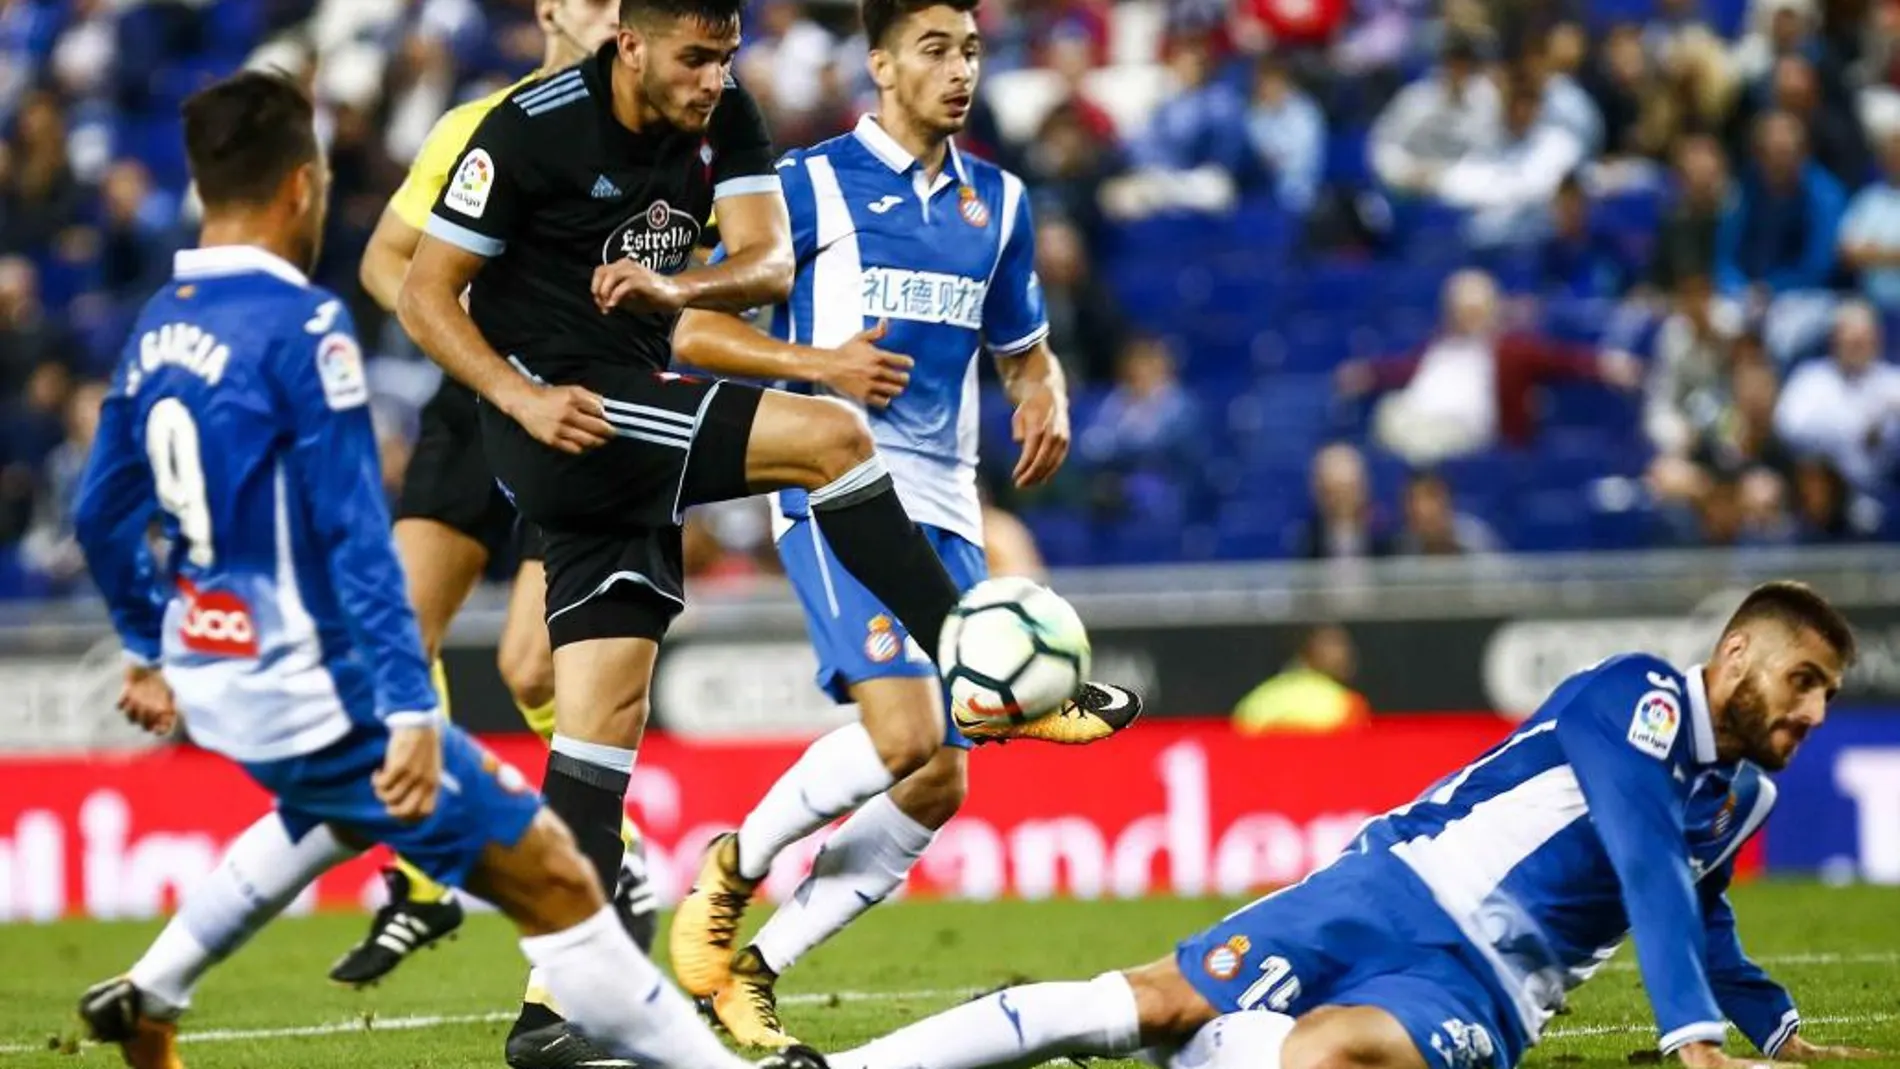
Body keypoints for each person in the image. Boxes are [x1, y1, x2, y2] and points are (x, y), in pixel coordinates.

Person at [398, 0, 1129, 1062]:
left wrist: (671, 281)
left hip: (624, 411)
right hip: (554, 413)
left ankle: (556, 1009)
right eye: (693, 59)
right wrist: (513, 400)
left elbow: (763, 264)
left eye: (725, 57)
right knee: (830, 438)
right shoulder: (526, 126)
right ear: (630, 45)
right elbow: (424, 295)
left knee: (600, 728)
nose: (713, 80)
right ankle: (972, 652)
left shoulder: (726, 115)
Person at [65, 70, 824, 1069]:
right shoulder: (304, 331)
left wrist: (142, 642)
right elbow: (354, 542)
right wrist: (411, 711)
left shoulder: (159, 321)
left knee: (327, 811)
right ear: (304, 187)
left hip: (213, 668)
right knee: (560, 873)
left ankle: (153, 988)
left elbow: (99, 508)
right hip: (314, 679)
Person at [826, 581, 1884, 1069]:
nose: (1812, 713)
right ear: (1736, 654)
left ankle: (1220, 1051)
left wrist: (1778, 1030)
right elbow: (1646, 859)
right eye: (1801, 680)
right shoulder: (1639, 695)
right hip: (1388, 887)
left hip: (1485, 988)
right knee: (1146, 998)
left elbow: (1701, 913)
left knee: (1325, 1054)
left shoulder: (1742, 797)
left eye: (1827, 697)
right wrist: (1693, 1046)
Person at [664, 0, 1141, 1044]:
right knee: (911, 730)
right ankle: (733, 864)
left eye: (970, 50)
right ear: (879, 65)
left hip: (946, 503)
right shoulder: (805, 185)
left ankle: (754, 969)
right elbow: (693, 326)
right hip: (829, 488)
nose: (959, 70)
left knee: (937, 779)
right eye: (934, 49)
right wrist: (816, 367)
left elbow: (1022, 344)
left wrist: (1043, 388)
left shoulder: (1000, 203)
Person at [325, 1, 663, 1017]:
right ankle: (429, 875)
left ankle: (621, 855)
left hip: (584, 407)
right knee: (391, 628)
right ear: (550, 10)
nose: (613, 12)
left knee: (526, 664)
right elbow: (388, 260)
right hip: (478, 401)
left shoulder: (658, 137)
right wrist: (465, 328)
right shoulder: (478, 124)